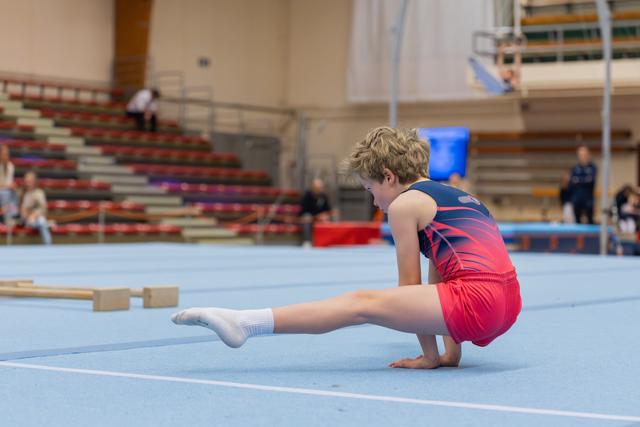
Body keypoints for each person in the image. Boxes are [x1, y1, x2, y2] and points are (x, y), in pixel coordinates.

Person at [172, 127, 522, 369]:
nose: (376, 202)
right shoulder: (461, 198)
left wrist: (430, 358)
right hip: (507, 302)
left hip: (478, 301)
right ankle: (245, 323)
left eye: (371, 190)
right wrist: (451, 355)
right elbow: (440, 281)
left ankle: (246, 323)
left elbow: (411, 289)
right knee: (394, 297)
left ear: (388, 176)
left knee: (361, 304)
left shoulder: (405, 205)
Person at [299, 178, 338, 247]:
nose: (320, 189)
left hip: (321, 217)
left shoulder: (323, 196)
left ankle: (331, 240)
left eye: (321, 187)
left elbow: (327, 209)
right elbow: (304, 210)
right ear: (313, 187)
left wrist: (328, 214)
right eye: (318, 187)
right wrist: (317, 216)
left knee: (331, 219)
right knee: (307, 220)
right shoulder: (307, 196)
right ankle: (307, 241)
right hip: (309, 217)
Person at [19, 171, 52, 245]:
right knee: (41, 222)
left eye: (29, 181)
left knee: (41, 221)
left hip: (38, 218)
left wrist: (35, 214)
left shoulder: (39, 193)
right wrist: (28, 216)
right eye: (26, 181)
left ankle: (48, 245)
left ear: (34, 182)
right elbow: (22, 211)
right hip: (27, 220)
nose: (27, 183)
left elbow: (44, 208)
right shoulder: (24, 194)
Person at [569, 145, 597, 224]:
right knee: (577, 220)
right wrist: (584, 180)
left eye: (584, 154)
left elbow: (590, 181)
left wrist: (579, 180)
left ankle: (591, 235)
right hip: (577, 197)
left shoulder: (592, 168)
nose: (583, 157)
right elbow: (572, 182)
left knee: (590, 219)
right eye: (581, 155)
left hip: (588, 198)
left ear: (588, 155)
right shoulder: (575, 168)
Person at [0, 145, 19, 224]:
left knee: (16, 192)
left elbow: (10, 182)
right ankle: (7, 216)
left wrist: (13, 186)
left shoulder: (11, 166)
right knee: (5, 193)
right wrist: (8, 186)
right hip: (2, 191)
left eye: (7, 154)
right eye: (4, 154)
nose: (6, 156)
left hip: (7, 189)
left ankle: (13, 214)